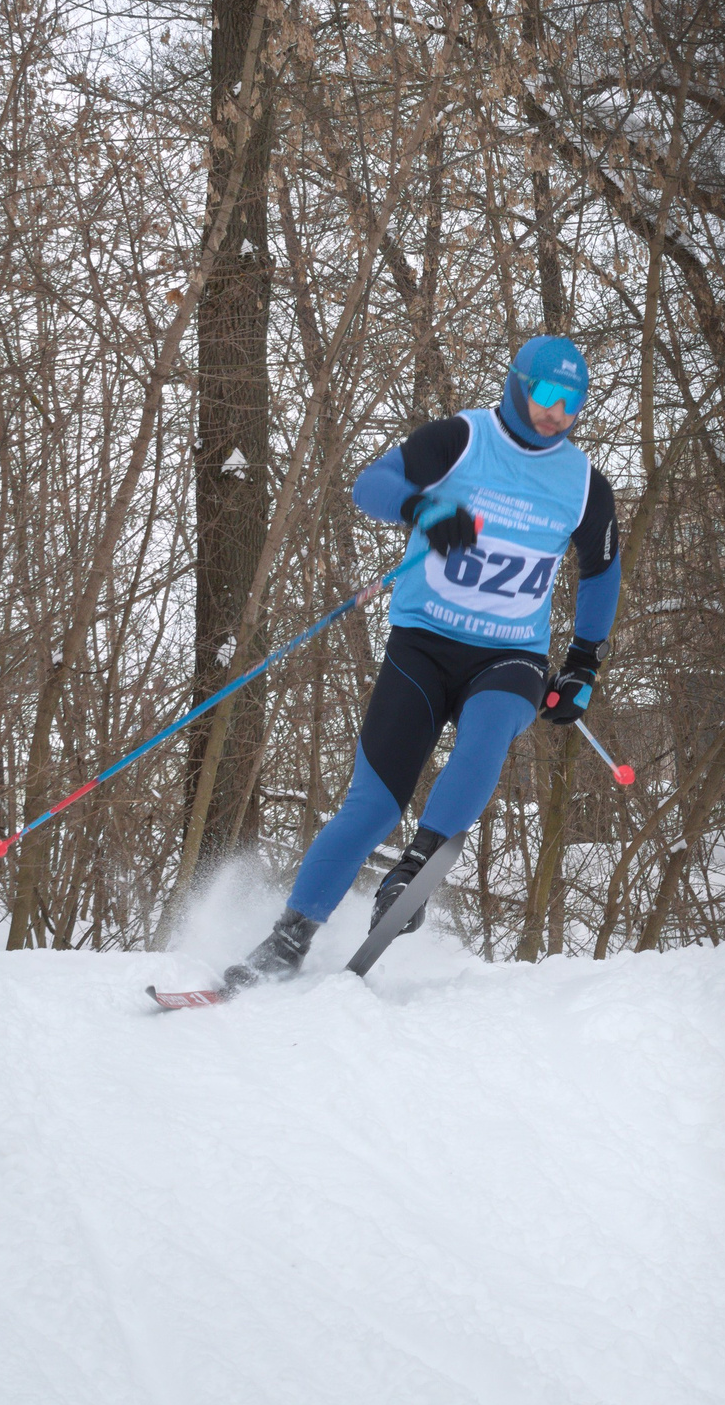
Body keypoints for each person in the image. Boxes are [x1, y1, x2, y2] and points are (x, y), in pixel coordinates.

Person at [224, 335, 622, 989]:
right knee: (372, 806)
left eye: (572, 403)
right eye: (548, 396)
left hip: (511, 656)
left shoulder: (583, 485)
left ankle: (416, 867)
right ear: (519, 386)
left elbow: (603, 573)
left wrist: (583, 663)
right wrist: (424, 507)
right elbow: (371, 484)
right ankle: (287, 939)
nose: (557, 413)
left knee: (489, 730)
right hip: (422, 646)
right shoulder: (460, 439)